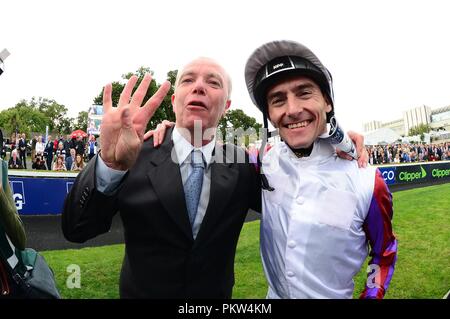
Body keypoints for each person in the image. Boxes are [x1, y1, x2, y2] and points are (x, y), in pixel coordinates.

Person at [63, 58, 366, 299]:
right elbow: (77, 230)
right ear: (174, 100)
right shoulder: (134, 155)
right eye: (188, 80)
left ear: (227, 106)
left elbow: (297, 199)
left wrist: (330, 145)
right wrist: (110, 164)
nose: (198, 87)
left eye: (213, 82)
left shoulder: (243, 165)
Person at [244, 40, 397, 299]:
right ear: (269, 115)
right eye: (278, 100)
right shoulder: (262, 160)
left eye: (304, 93)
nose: (292, 110)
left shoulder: (367, 180)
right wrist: (168, 134)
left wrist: (372, 294)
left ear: (327, 102)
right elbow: (206, 148)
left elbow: (384, 253)